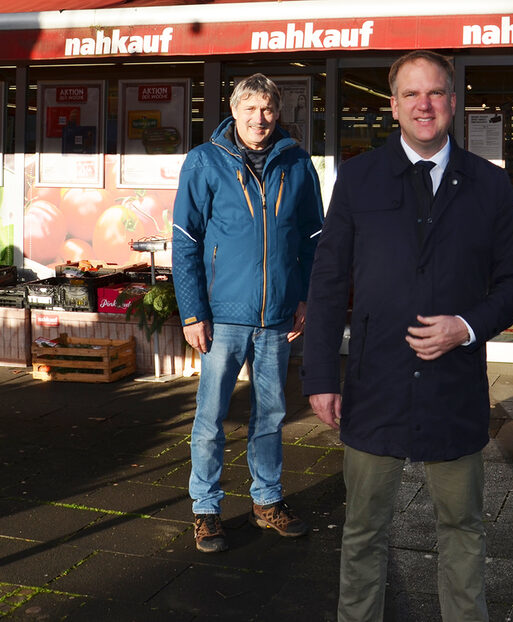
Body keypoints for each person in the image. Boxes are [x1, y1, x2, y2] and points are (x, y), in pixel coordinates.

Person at [301, 50, 513, 621]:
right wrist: (320, 376)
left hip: (453, 387)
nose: (423, 105)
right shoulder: (358, 179)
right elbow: (328, 283)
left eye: (434, 93)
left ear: (453, 102)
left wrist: (467, 326)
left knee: (461, 527)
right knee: (362, 530)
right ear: (394, 106)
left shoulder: (489, 185)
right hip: (374, 384)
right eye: (411, 94)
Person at [172, 73, 324, 553]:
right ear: (234, 111)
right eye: (251, 109)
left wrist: (304, 299)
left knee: (271, 414)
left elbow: (314, 239)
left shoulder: (297, 162)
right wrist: (193, 312)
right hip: (222, 315)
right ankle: (206, 509)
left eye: (268, 109)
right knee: (210, 415)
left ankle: (267, 500)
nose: (260, 119)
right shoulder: (204, 162)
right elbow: (186, 241)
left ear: (278, 112)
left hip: (277, 315)